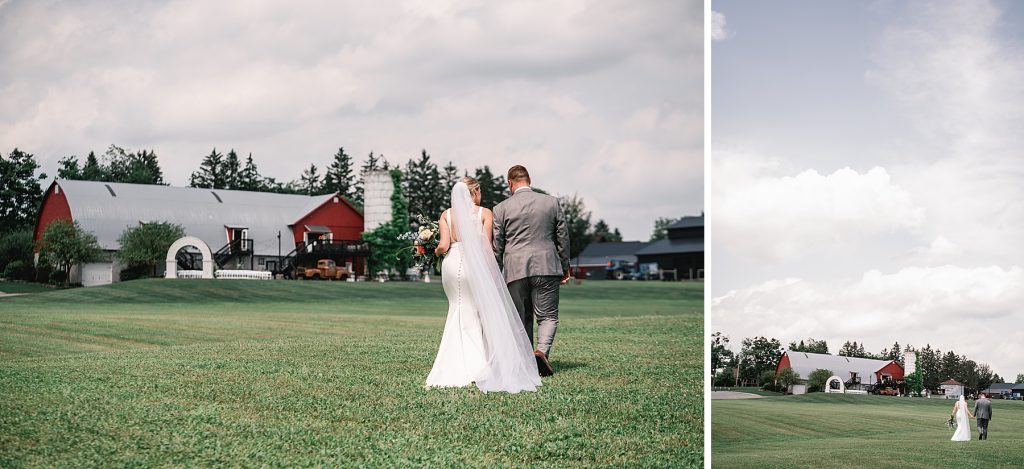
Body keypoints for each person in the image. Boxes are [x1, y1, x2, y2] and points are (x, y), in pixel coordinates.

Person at [424, 177, 541, 393]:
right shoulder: (484, 213)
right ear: (475, 191)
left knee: (456, 308)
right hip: (473, 266)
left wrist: (432, 250)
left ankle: (453, 362)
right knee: (474, 310)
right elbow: (487, 247)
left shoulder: (446, 215)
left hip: (451, 267)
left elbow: (443, 245)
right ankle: (478, 363)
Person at [493, 165, 570, 377]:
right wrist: (565, 267)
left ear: (510, 183)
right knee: (547, 316)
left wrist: (496, 272)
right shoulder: (551, 202)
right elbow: (562, 238)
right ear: (529, 180)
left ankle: (527, 360)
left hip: (514, 269)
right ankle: (541, 352)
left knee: (521, 316)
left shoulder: (500, 209)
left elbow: (497, 246)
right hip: (546, 265)